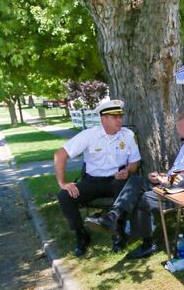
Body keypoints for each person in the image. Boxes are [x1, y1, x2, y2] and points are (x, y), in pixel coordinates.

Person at [85, 106, 184, 259]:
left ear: (183, 122)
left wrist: (168, 180)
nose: (176, 127)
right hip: (173, 186)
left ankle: (147, 244)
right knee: (135, 181)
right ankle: (112, 217)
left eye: (176, 123)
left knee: (143, 198)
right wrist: (162, 177)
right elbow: (182, 172)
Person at [55, 99, 141, 257]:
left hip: (116, 179)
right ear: (104, 119)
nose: (120, 120)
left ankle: (118, 233)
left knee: (123, 187)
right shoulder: (89, 135)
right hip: (92, 181)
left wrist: (127, 170)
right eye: (114, 117)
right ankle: (81, 235)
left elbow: (135, 163)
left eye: (120, 116)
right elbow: (60, 155)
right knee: (64, 196)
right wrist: (63, 183)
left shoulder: (128, 135)